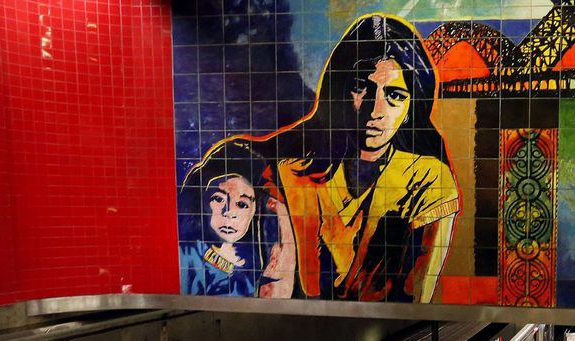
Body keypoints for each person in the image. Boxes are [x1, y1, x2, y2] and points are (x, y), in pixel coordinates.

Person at [190, 15, 459, 303]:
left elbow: (419, 297)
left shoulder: (428, 179)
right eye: (361, 87)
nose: (375, 109)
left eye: (394, 95)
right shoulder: (290, 169)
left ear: (411, 107)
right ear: (340, 91)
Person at [178, 140, 268, 297]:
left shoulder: (255, 260)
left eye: (241, 204)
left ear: (254, 211)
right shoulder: (188, 254)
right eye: (218, 199)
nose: (229, 212)